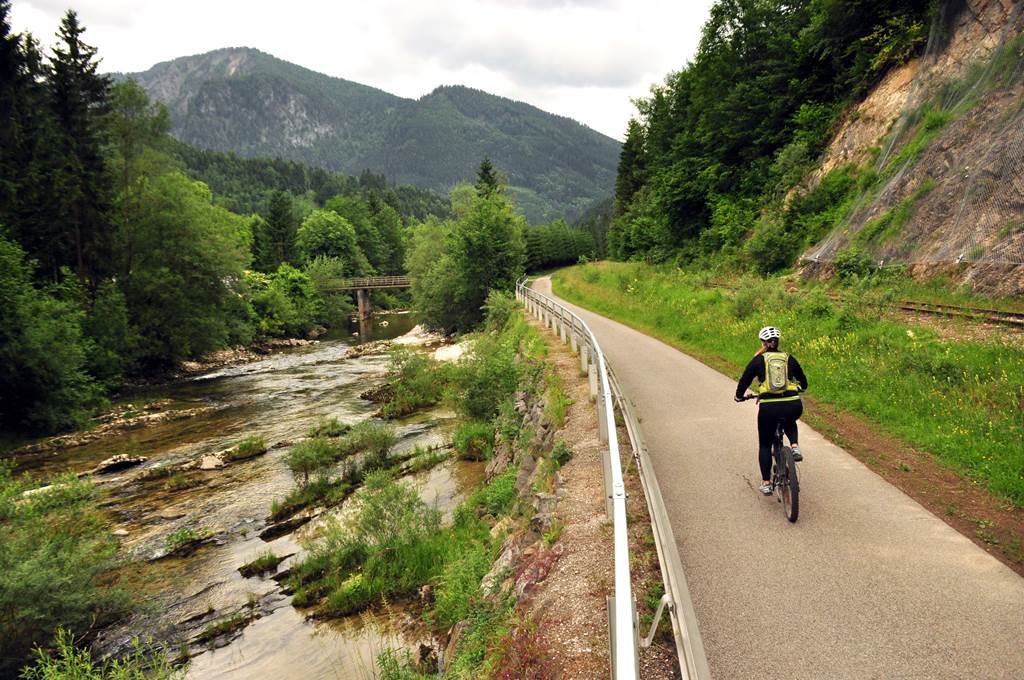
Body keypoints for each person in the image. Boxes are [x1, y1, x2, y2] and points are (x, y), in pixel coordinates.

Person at [734, 326, 808, 495]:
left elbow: (745, 380)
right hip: (793, 404)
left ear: (763, 342)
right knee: (789, 419)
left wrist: (739, 396)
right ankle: (795, 446)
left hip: (769, 408)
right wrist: (800, 388)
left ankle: (766, 483)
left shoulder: (758, 360)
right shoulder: (789, 358)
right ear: (778, 341)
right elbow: (804, 382)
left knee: (765, 444)